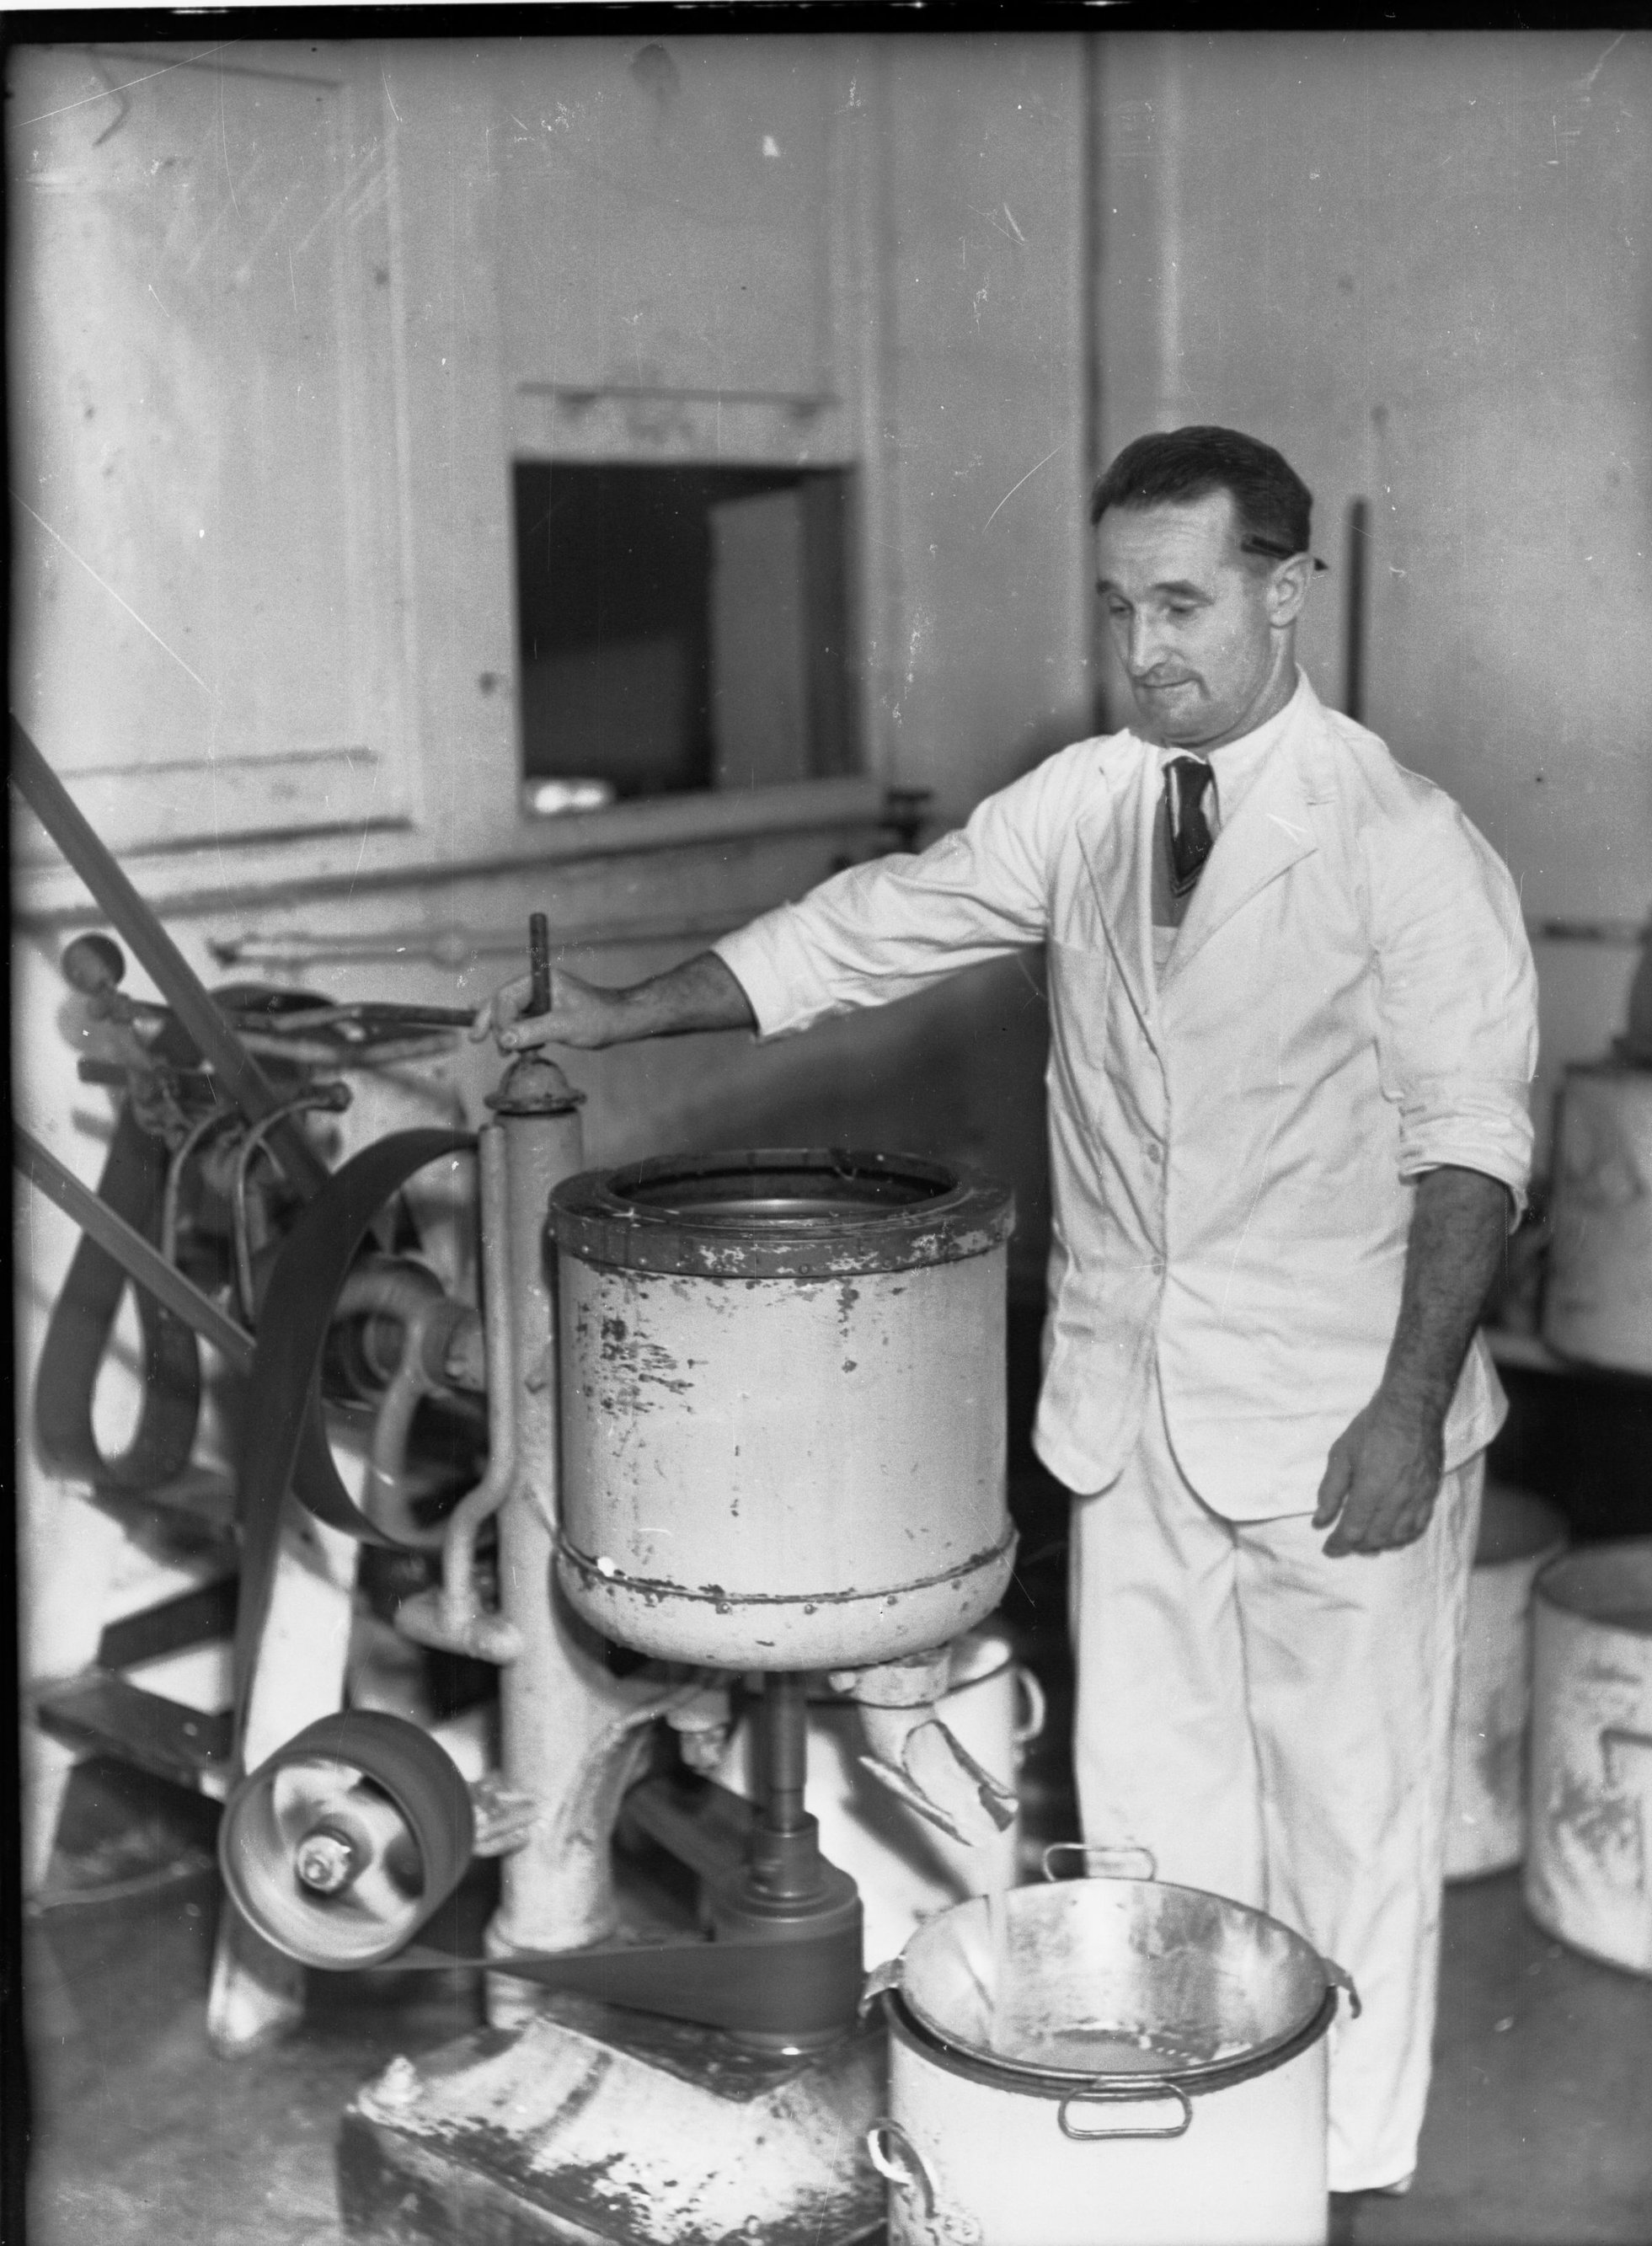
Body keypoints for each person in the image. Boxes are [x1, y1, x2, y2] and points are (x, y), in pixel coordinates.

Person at [474, 425, 1537, 2211]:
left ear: (1287, 591)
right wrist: (615, 1012)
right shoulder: (1091, 798)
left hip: (1336, 1424)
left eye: (1184, 603)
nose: (1146, 650)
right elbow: (865, 929)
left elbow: (1472, 1153)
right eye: (1120, 607)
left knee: (1351, 1830)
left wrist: (1403, 1406)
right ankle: (1184, 2180)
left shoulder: (1402, 842)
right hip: (1124, 1417)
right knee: (1154, 1836)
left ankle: (1341, 2183)